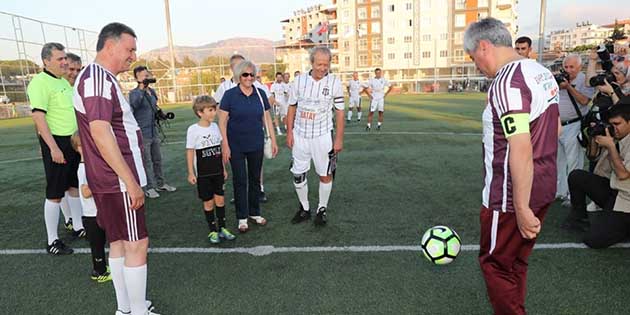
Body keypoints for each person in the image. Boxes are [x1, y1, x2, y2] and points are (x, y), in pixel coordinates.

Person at [464, 17, 559, 315]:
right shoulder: (540, 71)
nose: (475, 65)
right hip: (543, 185)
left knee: (495, 264)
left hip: (508, 194)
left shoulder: (507, 81)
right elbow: (553, 132)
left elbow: (519, 146)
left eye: (473, 57)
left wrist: (519, 206)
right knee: (516, 261)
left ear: (484, 46)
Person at [73, 22, 159, 315]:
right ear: (110, 46)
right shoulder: (97, 78)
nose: (133, 56)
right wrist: (130, 182)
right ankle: (137, 311)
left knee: (120, 244)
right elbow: (100, 131)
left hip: (107, 179)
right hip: (116, 180)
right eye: (129, 49)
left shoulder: (99, 77)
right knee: (136, 243)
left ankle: (126, 308)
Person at [28, 42, 85, 256]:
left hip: (71, 141)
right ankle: (52, 240)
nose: (64, 62)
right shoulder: (39, 83)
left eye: (64, 58)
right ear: (46, 61)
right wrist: (53, 147)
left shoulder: (63, 82)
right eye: (60, 59)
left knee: (73, 186)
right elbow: (38, 116)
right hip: (57, 142)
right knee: (55, 193)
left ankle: (78, 227)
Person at [287, 46, 345, 226]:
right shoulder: (298, 81)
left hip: (322, 135)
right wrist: (289, 132)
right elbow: (292, 107)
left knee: (325, 174)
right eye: (319, 64)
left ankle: (322, 209)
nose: (322, 68)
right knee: (298, 174)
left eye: (326, 65)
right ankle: (304, 208)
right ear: (311, 62)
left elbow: (340, 112)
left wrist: (339, 138)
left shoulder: (335, 82)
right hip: (300, 135)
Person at [218, 60, 278, 233]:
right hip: (235, 145)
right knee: (240, 180)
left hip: (256, 143)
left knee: (254, 180)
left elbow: (267, 119)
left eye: (252, 74)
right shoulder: (229, 95)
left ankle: (254, 212)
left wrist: (273, 140)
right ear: (238, 76)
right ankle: (242, 217)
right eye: (245, 74)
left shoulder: (260, 93)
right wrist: (225, 146)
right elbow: (222, 123)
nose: (249, 77)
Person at [566, 102, 630, 248]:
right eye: (611, 124)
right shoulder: (616, 136)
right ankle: (579, 218)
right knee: (577, 176)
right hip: (615, 192)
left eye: (617, 124)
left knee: (593, 240)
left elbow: (623, 175)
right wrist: (594, 136)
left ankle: (622, 227)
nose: (613, 128)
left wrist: (611, 146)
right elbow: (592, 157)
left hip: (627, 201)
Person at [186, 95, 236, 244]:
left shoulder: (215, 127)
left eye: (214, 109)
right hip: (203, 174)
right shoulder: (193, 130)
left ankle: (223, 228)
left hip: (217, 172)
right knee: (208, 203)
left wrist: (223, 169)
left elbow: (219, 149)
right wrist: (191, 172)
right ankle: (212, 230)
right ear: (200, 112)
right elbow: (190, 151)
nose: (214, 113)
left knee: (220, 200)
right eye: (210, 110)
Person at [129, 65, 176, 199]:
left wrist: (162, 115)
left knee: (157, 159)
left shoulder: (153, 91)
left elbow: (154, 107)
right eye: (144, 75)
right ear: (137, 78)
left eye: (147, 75)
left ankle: (161, 183)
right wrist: (142, 89)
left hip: (153, 130)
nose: (147, 77)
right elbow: (135, 105)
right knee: (147, 161)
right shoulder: (134, 93)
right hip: (142, 131)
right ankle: (149, 187)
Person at [71, 131, 111, 283]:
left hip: (99, 211)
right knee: (97, 245)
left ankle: (103, 267)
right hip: (91, 214)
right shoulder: (84, 169)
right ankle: (99, 271)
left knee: (104, 241)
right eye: (82, 146)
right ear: (78, 148)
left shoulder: (91, 165)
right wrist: (101, 183)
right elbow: (85, 192)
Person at [555, 54, 594, 205]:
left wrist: (569, 87)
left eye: (572, 67)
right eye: (566, 67)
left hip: (575, 124)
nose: (568, 70)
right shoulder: (558, 79)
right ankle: (561, 191)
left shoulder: (584, 79)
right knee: (559, 161)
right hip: (558, 125)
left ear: (579, 67)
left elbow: (585, 101)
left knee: (574, 161)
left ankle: (574, 196)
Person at [59, 52, 83, 231]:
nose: (75, 73)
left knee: (76, 180)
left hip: (78, 140)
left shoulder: (78, 88)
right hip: (60, 140)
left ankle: (77, 220)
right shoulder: (57, 86)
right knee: (62, 182)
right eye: (71, 69)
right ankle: (69, 219)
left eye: (78, 69)